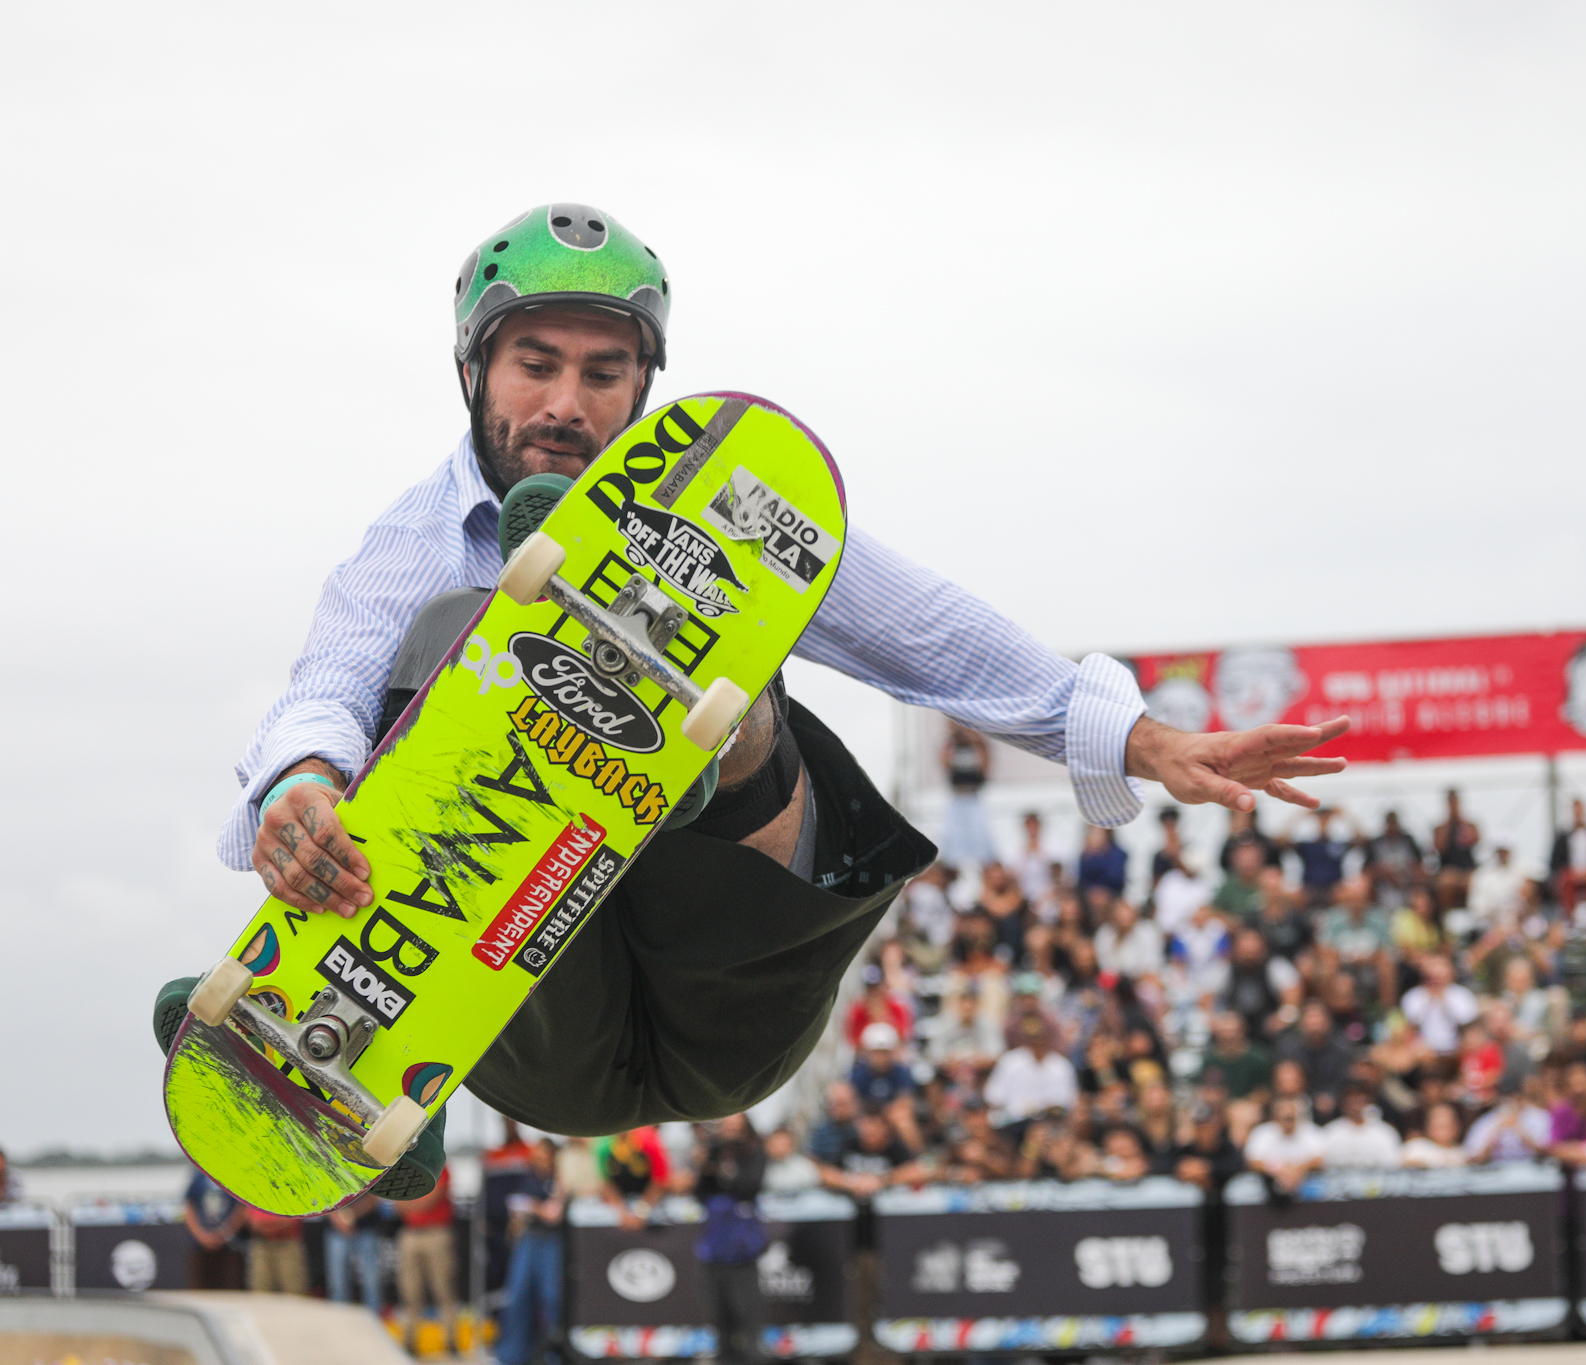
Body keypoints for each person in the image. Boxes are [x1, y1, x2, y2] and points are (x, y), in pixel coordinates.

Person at [152, 205, 1349, 1195]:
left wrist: (1140, 739)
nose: (567, 403)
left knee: (710, 606)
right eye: (536, 366)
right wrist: (302, 784)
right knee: (449, 635)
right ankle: (358, 1057)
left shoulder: (723, 511)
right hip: (542, 1033)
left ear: (641, 386)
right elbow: (327, 683)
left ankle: (671, 730)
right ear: (475, 373)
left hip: (728, 995)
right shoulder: (410, 542)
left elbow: (921, 629)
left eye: (603, 373)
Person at [696, 1115, 769, 1365]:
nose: (732, 1133)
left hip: (742, 1247)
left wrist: (725, 1169)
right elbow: (701, 1192)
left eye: (737, 1128)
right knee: (718, 1314)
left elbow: (749, 1186)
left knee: (747, 1313)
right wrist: (706, 1166)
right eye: (727, 1128)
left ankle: (753, 1357)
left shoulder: (754, 1152)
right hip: (715, 1245)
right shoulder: (714, 1151)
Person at [497, 1139, 567, 1365]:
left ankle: (555, 1355)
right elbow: (516, 1213)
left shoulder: (558, 1179)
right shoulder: (528, 1178)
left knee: (551, 1298)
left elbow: (554, 1213)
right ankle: (512, 1356)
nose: (539, 1162)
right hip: (528, 1240)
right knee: (517, 1296)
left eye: (544, 1158)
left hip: (552, 1242)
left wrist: (532, 1206)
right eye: (536, 1158)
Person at [396, 1168, 460, 1346]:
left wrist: (409, 1202)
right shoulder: (405, 1169)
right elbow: (397, 1202)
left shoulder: (438, 1166)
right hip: (411, 1232)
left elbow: (432, 1198)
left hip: (437, 1232)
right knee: (409, 1290)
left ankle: (450, 1340)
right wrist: (412, 1203)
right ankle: (409, 1340)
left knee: (444, 1288)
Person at [983, 1014, 1078, 1127]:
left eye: (1041, 1039)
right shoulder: (1010, 1062)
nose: (1038, 1044)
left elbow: (1068, 1101)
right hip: (1015, 1122)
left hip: (1050, 1122)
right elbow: (993, 1096)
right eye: (1033, 1039)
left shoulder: (1061, 1065)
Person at [940, 722, 995, 867]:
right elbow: (944, 762)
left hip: (974, 796)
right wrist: (953, 736)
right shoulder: (952, 746)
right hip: (958, 796)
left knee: (979, 835)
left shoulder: (977, 746)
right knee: (954, 836)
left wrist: (973, 736)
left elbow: (985, 760)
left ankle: (983, 862)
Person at [1243, 1096, 1326, 1193]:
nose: (1288, 1121)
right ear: (1275, 1117)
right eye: (1284, 1118)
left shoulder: (1312, 1131)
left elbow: (1319, 1160)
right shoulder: (1261, 1132)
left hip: (1305, 1179)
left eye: (1291, 1118)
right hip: (1268, 1179)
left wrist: (1297, 1170)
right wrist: (1279, 1170)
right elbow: (1252, 1162)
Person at [325, 1191, 385, 1314]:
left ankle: (373, 1318)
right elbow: (324, 1196)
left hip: (366, 1226)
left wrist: (350, 1215)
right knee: (337, 1281)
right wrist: (339, 1220)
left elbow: (375, 1197)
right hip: (337, 1230)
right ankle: (340, 1319)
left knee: (371, 1281)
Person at [183, 1171, 244, 1290]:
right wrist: (201, 1235)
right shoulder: (199, 1176)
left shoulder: (235, 1174)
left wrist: (226, 1233)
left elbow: (242, 1208)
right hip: (201, 1247)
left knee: (231, 1289)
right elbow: (189, 1207)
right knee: (200, 1288)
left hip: (231, 1246)